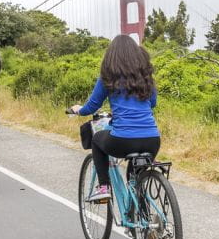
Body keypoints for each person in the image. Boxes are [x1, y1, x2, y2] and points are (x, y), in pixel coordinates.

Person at [69, 34, 160, 203]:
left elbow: (92, 106)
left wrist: (78, 110)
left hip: (123, 141)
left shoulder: (108, 77)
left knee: (97, 140)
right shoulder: (146, 77)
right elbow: (152, 103)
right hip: (152, 140)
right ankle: (142, 217)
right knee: (134, 177)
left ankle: (104, 187)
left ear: (111, 56)